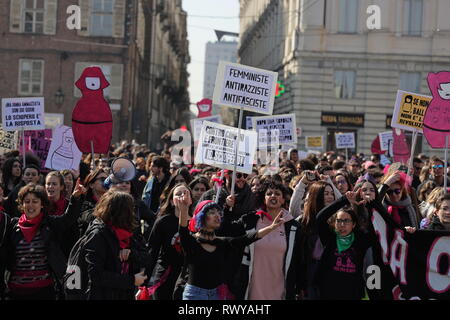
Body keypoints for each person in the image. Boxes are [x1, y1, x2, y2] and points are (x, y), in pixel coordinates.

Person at [176, 192, 285, 300]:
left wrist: (271, 228)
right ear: (202, 216)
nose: (217, 215)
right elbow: (183, 230)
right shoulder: (191, 241)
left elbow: (248, 238)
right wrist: (184, 209)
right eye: (212, 212)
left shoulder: (222, 242)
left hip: (216, 295)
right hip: (194, 295)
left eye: (219, 213)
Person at [4, 181, 85, 300]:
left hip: (44, 291)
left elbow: (68, 218)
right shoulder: (12, 226)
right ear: (22, 204)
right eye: (27, 202)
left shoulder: (49, 223)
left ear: (42, 204)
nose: (31, 205)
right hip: (16, 291)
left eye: (35, 201)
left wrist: (75, 198)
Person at [229, 180, 302, 300]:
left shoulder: (293, 226)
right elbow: (228, 232)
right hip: (252, 287)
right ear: (263, 199)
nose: (273, 196)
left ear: (283, 200)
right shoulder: (249, 220)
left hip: (280, 289)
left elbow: (298, 259)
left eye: (277, 194)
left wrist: (298, 286)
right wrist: (228, 208)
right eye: (269, 193)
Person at [82, 191, 148, 300]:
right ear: (120, 212)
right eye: (130, 209)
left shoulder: (129, 231)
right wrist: (131, 280)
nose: (133, 213)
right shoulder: (98, 234)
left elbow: (146, 257)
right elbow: (95, 275)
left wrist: (131, 254)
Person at [315, 191, 377, 300]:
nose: (342, 225)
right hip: (328, 293)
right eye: (339, 221)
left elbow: (375, 230)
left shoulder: (361, 240)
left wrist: (370, 205)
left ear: (353, 224)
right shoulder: (330, 239)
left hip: (352, 293)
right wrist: (344, 200)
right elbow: (320, 218)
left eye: (346, 221)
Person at [146, 184, 193, 300]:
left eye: (185, 193)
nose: (182, 195)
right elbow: (152, 252)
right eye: (178, 194)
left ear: (191, 200)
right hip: (165, 276)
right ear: (172, 201)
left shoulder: (197, 222)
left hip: (189, 279)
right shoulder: (163, 222)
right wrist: (144, 282)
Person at [78, 168, 108, 236]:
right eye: (102, 179)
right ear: (91, 185)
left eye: (107, 179)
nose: (106, 182)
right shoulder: (84, 203)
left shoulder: (112, 202)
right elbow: (90, 218)